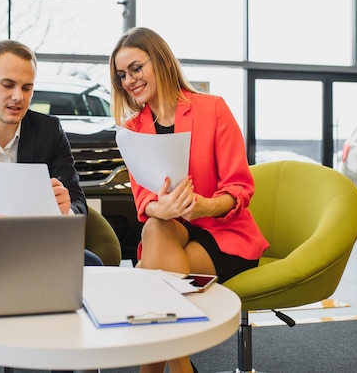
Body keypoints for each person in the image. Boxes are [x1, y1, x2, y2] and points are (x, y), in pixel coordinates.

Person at [0, 39, 102, 373]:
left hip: (40, 249)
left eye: (27, 88)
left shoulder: (49, 131)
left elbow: (79, 204)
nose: (18, 97)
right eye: (8, 85)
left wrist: (67, 208)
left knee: (93, 266)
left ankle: (73, 364)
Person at [109, 27, 269, 373]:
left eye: (136, 68)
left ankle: (173, 367)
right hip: (170, 232)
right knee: (155, 226)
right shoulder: (134, 129)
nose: (129, 80)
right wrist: (160, 208)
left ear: (161, 61)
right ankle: (182, 363)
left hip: (224, 234)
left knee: (153, 282)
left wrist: (203, 205)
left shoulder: (212, 110)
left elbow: (239, 188)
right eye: (122, 75)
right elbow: (143, 200)